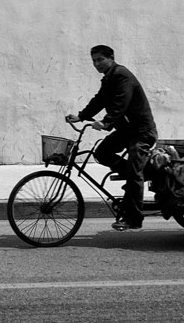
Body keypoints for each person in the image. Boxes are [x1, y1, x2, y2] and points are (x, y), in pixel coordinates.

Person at [65, 45, 158, 231]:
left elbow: (121, 102)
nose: (97, 64)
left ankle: (133, 219)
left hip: (141, 133)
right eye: (94, 61)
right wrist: (81, 116)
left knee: (134, 174)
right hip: (127, 131)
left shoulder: (121, 75)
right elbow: (99, 100)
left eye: (100, 59)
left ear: (111, 57)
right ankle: (139, 174)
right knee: (102, 152)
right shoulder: (109, 78)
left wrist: (105, 122)